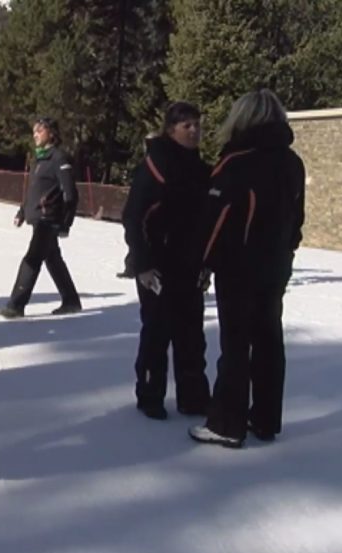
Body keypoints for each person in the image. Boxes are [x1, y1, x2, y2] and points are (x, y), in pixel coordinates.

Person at [189, 89, 305, 448]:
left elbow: (218, 219)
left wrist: (204, 262)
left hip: (239, 267)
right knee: (269, 340)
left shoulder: (235, 162)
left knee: (236, 343)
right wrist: (287, 249)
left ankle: (226, 423)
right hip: (277, 264)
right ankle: (266, 418)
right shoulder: (292, 162)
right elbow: (298, 216)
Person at [122, 102, 212, 420]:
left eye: (197, 124)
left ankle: (194, 397)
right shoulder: (156, 163)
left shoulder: (202, 170)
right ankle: (150, 394)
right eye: (186, 125)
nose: (193, 130)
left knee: (191, 334)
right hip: (156, 262)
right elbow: (134, 216)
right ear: (170, 128)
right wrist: (142, 263)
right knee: (157, 331)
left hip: (190, 264)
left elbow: (208, 221)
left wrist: (207, 263)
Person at [0, 117, 81, 318]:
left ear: (51, 133)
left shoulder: (59, 158)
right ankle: (71, 300)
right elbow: (35, 190)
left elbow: (70, 194)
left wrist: (66, 223)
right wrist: (23, 212)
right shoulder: (39, 159)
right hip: (38, 218)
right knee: (53, 259)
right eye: (34, 131)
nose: (35, 134)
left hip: (48, 220)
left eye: (39, 131)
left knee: (31, 260)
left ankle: (15, 305)